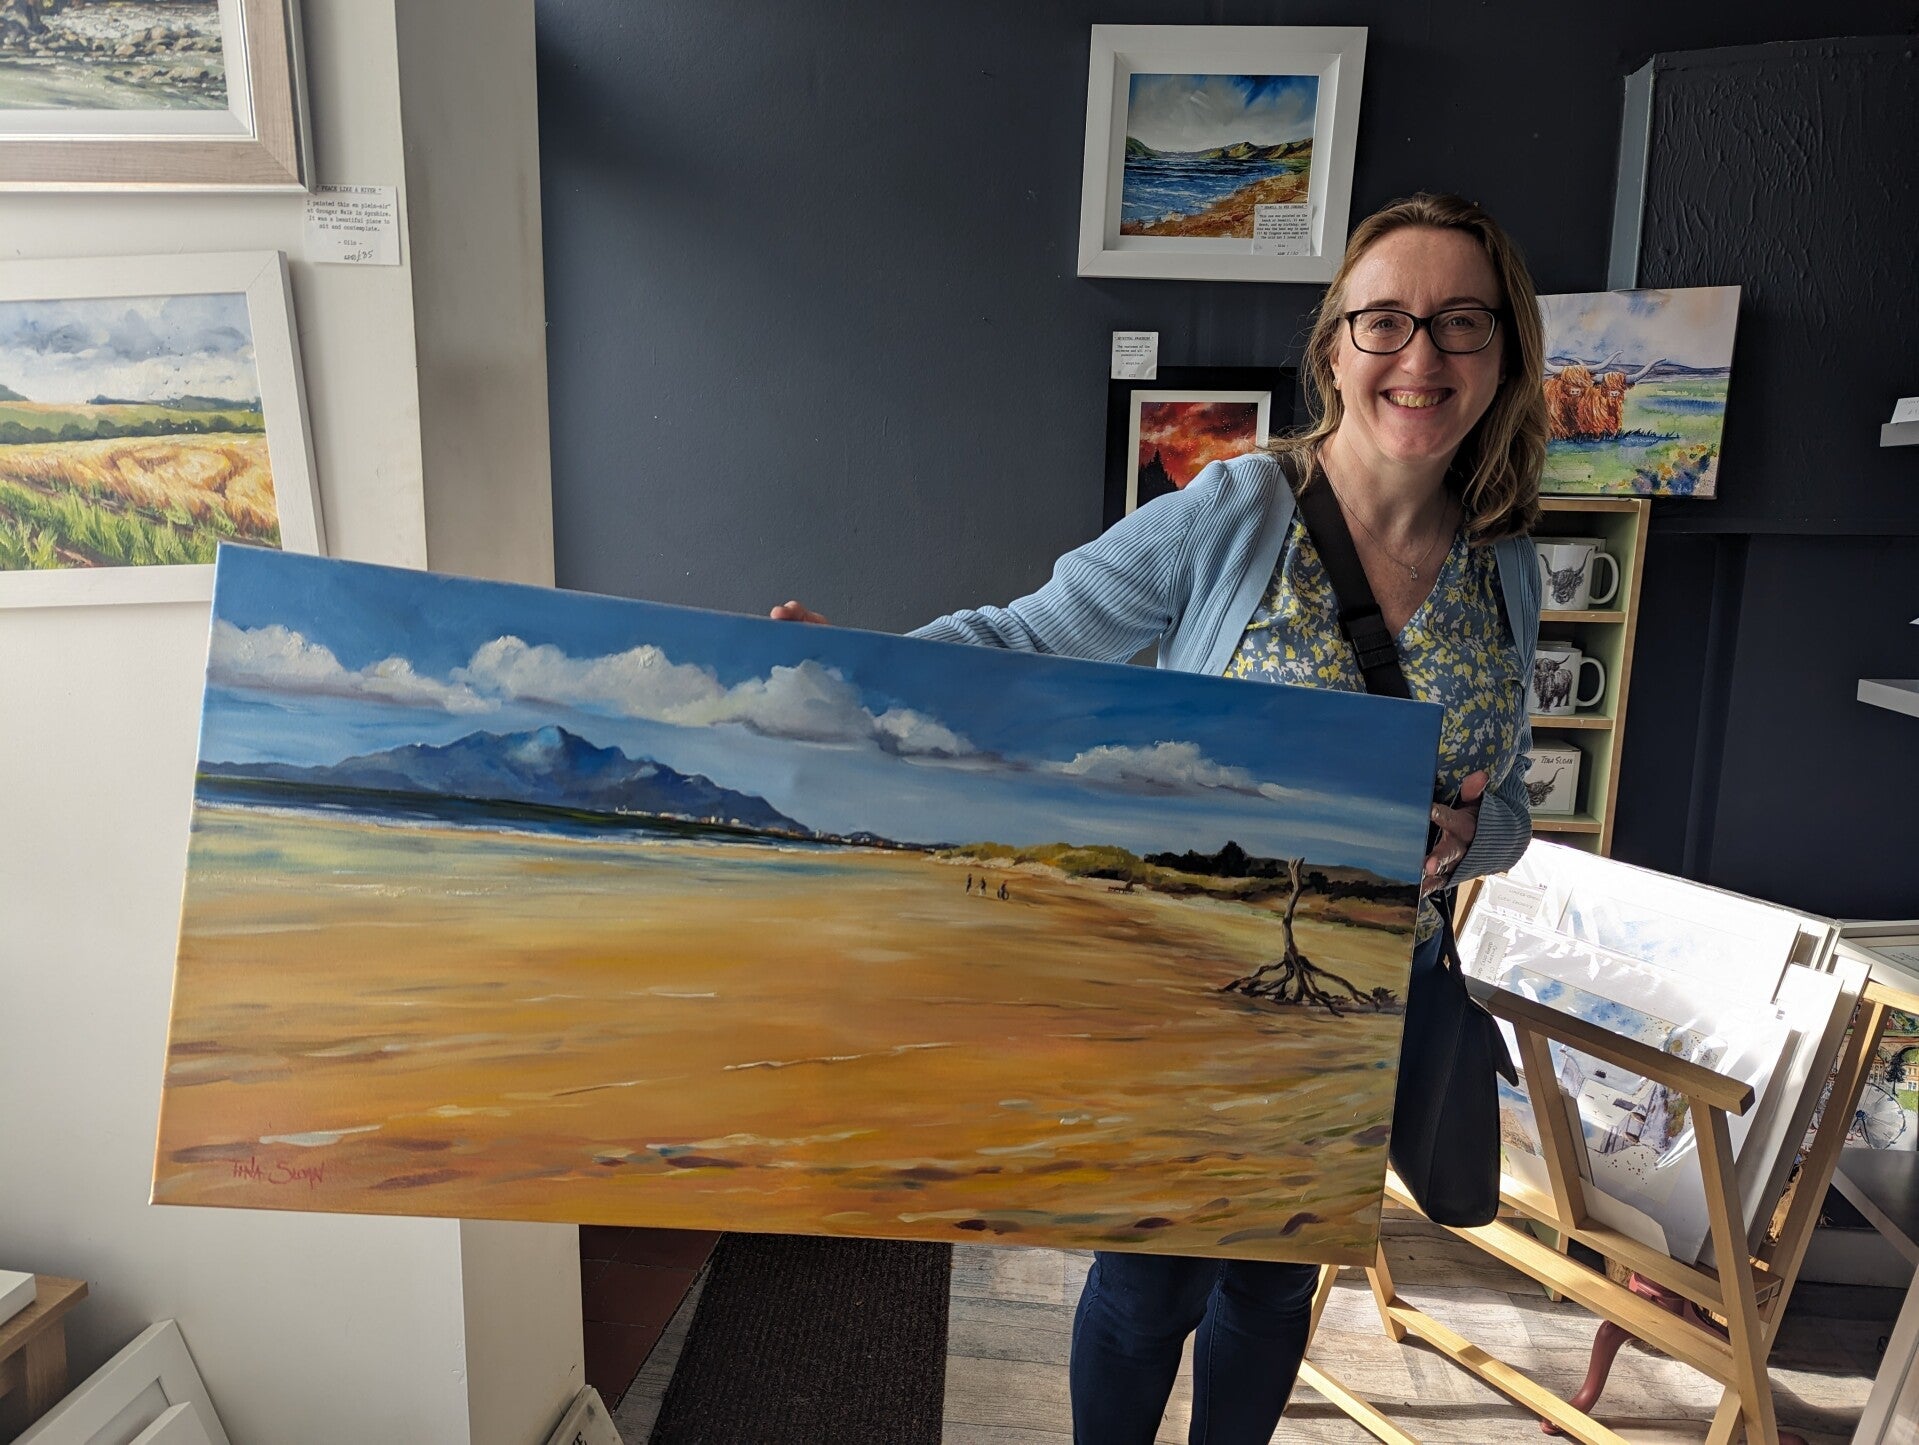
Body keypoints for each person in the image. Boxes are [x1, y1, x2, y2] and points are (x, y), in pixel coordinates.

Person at [773, 191, 1546, 1445]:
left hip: (1362, 1001)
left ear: (1502, 352)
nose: (1420, 354)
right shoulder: (1238, 511)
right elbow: (1025, 639)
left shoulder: (1504, 561)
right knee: (1148, 1290)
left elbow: (1504, 798)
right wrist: (861, 674)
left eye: (1460, 321)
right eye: (1385, 320)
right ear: (1334, 347)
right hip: (1196, 982)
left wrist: (1471, 839)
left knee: (1272, 1289)